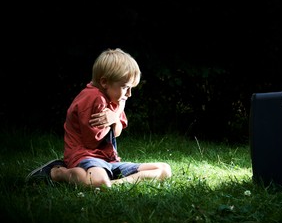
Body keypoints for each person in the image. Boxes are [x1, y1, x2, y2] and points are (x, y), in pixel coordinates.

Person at [26, 48, 172, 188]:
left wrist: (115, 117)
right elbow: (91, 142)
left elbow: (116, 132)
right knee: (98, 181)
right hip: (84, 157)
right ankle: (58, 172)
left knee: (165, 169)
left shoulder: (114, 100)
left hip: (108, 161)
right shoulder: (94, 98)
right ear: (104, 82)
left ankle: (110, 184)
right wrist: (113, 117)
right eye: (125, 87)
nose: (129, 94)